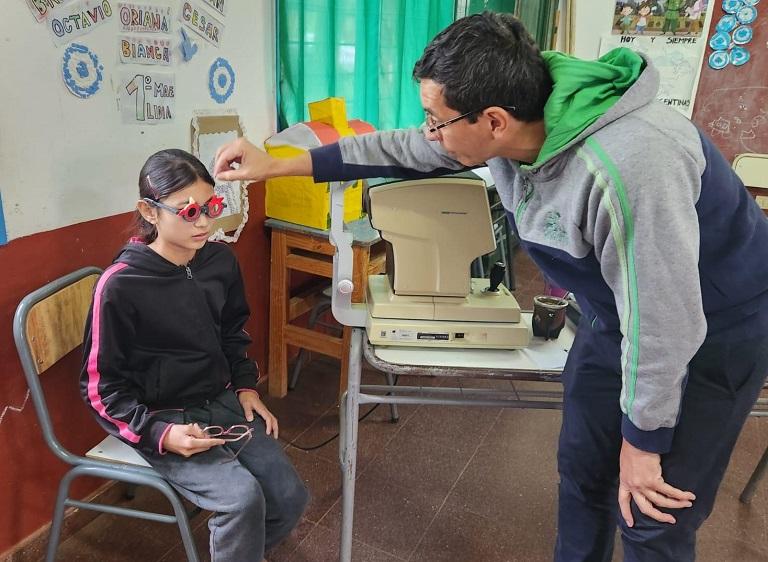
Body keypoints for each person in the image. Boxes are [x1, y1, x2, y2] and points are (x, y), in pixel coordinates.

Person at [214, 12, 768, 561]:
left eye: (436, 120)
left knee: (650, 510)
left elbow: (667, 324)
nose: (429, 132)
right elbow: (403, 148)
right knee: (583, 474)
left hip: (712, 334)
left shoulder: (632, 165)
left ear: (495, 120)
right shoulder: (509, 125)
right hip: (617, 318)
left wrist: (644, 442)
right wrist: (276, 165)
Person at [80, 149, 308, 562]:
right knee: (240, 500)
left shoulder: (219, 261)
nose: (205, 222)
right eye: (188, 212)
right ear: (149, 212)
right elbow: (101, 391)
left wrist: (244, 386)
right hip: (160, 417)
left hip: (219, 400)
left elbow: (233, 332)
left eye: (212, 206)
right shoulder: (121, 286)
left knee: (289, 496)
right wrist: (159, 434)